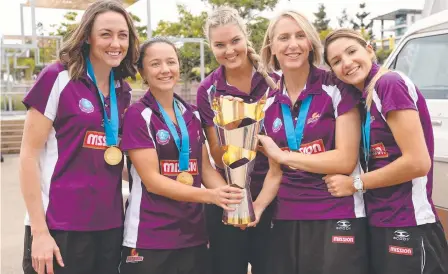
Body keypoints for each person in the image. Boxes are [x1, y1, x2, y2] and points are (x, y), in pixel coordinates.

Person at [19, 1, 139, 273]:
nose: (116, 43)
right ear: (87, 36)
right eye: (106, 34)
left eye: (123, 35)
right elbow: (27, 156)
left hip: (109, 226)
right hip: (59, 226)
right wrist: (39, 232)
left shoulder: (123, 91)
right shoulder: (57, 78)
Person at [249, 11, 369, 274]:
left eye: (300, 35)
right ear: (272, 47)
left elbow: (345, 160)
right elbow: (274, 173)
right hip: (287, 216)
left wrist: (285, 156)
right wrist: (256, 207)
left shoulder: (337, 87)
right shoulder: (267, 102)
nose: (292, 44)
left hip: (336, 212)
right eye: (284, 38)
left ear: (311, 43)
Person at [323, 28, 448, 274]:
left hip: (408, 221)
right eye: (336, 61)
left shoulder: (389, 84)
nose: (346, 63)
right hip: (380, 220)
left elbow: (418, 162)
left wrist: (354, 184)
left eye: (351, 51)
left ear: (369, 50)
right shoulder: (363, 96)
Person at [118, 37, 243, 274]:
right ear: (143, 72)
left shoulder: (192, 114)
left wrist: (232, 200)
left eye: (171, 62)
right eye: (155, 64)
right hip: (149, 237)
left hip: (193, 236)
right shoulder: (138, 115)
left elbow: (205, 169)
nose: (165, 70)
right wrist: (210, 196)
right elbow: (152, 181)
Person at [196, 6, 278, 274]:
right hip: (231, 199)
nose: (229, 50)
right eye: (220, 45)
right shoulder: (207, 90)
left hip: (276, 196)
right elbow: (219, 156)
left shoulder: (276, 80)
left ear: (246, 38)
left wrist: (242, 138)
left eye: (235, 41)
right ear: (211, 47)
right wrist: (236, 204)